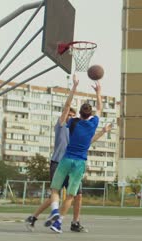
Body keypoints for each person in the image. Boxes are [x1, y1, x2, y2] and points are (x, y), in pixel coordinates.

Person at [25, 75, 110, 232]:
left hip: (68, 161)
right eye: (68, 115)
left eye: (72, 115)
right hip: (59, 161)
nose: (70, 116)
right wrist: (98, 93)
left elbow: (88, 140)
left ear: (76, 115)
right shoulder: (62, 125)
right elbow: (94, 108)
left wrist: (103, 132)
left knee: (75, 195)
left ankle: (72, 222)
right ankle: (36, 217)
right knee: (59, 194)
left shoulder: (73, 125)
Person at [46, 78, 103, 233]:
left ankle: (54, 210)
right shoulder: (93, 124)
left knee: (55, 190)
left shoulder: (73, 123)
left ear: (79, 113)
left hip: (65, 159)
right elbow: (99, 107)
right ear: (90, 114)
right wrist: (98, 92)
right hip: (79, 163)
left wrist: (74, 87)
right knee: (71, 195)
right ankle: (58, 223)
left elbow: (66, 108)